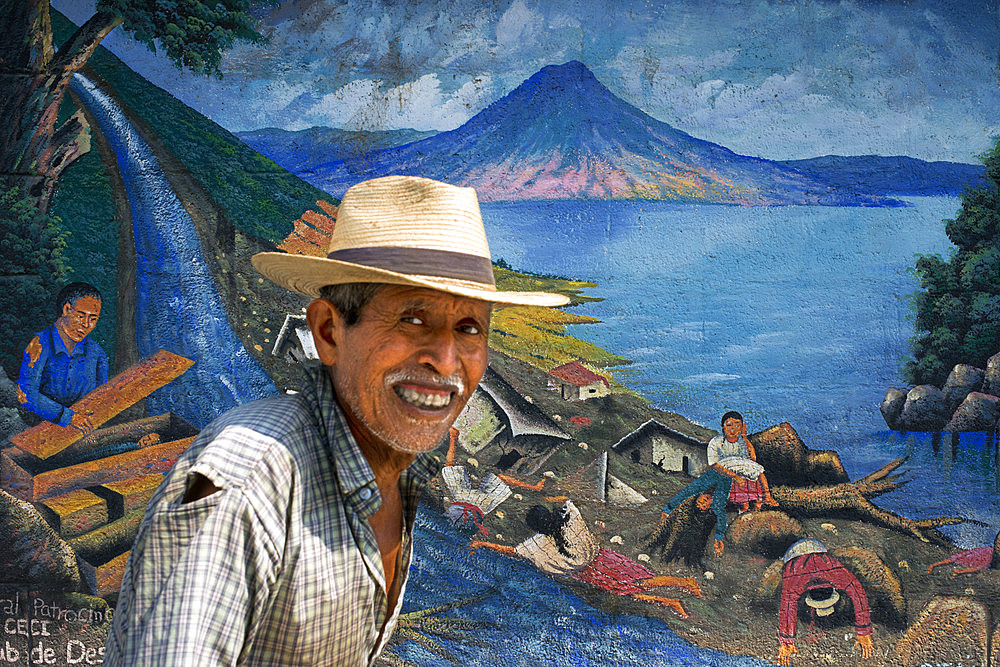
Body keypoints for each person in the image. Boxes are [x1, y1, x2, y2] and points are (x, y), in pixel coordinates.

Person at [104, 176, 569, 666]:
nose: (448, 361)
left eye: (469, 328)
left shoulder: (396, 468)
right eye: (412, 320)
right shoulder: (245, 485)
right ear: (327, 331)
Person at [470, 499, 701, 618]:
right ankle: (674, 595)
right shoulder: (569, 518)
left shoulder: (538, 544)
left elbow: (511, 550)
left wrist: (482, 543)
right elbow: (567, 503)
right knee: (636, 581)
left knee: (630, 588)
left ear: (537, 528)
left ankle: (679, 589)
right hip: (603, 557)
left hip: (589, 571)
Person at [662, 411, 777, 555]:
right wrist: (718, 538)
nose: (733, 428)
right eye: (729, 425)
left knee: (755, 474)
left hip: (733, 475)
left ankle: (764, 498)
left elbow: (749, 461)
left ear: (741, 427)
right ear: (723, 427)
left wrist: (746, 439)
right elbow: (715, 466)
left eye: (737, 425)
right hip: (721, 474)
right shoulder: (716, 442)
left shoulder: (741, 442)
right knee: (714, 502)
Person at [16, 282, 108, 434]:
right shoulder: (39, 345)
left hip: (82, 434)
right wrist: (69, 417)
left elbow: (101, 399)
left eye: (93, 319)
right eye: (80, 316)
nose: (86, 324)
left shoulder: (98, 354)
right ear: (66, 309)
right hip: (37, 431)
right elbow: (26, 394)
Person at [777, 538, 874, 665]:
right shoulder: (794, 581)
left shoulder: (836, 574)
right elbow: (787, 608)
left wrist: (787, 641)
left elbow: (788, 610)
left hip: (816, 549)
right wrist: (863, 632)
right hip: (796, 553)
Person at [927, 529, 1000, 577]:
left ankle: (934, 565)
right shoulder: (989, 552)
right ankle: (936, 565)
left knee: (961, 557)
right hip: (988, 553)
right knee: (967, 559)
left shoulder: (990, 550)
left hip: (988, 552)